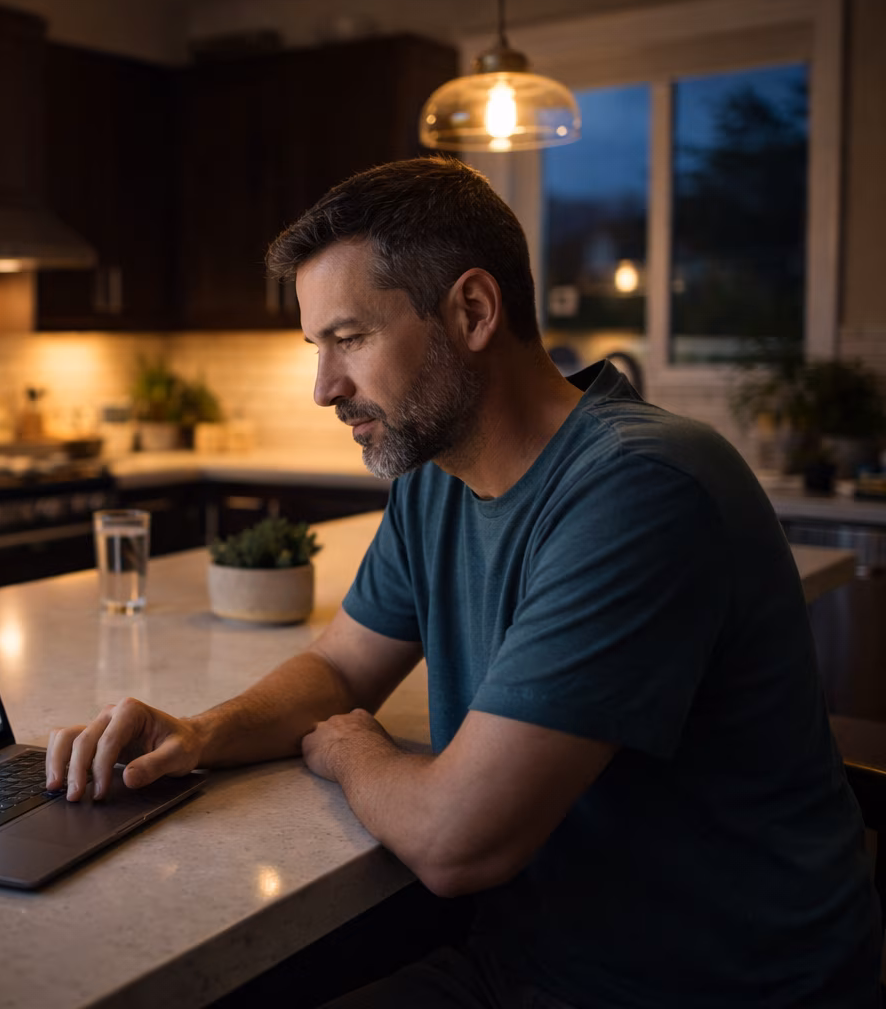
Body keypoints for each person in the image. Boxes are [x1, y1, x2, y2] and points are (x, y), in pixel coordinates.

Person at [46, 157, 881, 1008]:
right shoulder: (436, 477)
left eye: (350, 338)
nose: (323, 387)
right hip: (530, 963)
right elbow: (339, 670)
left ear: (473, 311)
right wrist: (199, 733)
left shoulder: (642, 486)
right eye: (317, 347)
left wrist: (353, 748)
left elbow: (458, 841)